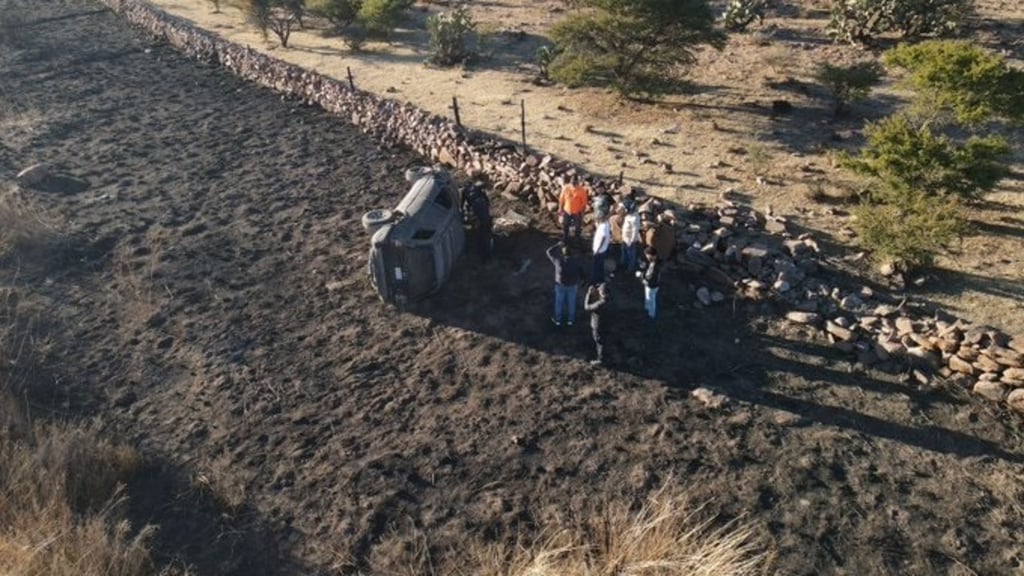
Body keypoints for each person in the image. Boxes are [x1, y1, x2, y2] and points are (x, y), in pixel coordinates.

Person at [545, 241, 583, 327]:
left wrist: (557, 245)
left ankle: (558, 320)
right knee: (572, 302)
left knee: (559, 302)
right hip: (573, 285)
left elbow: (548, 252)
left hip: (560, 285)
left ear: (563, 253)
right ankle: (571, 320)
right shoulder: (575, 261)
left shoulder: (558, 261)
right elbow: (580, 271)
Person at [462, 181, 492, 262]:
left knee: (481, 238)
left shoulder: (467, 193)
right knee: (486, 236)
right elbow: (488, 203)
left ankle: (484, 256)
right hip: (486, 219)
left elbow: (463, 205)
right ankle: (487, 254)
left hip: (481, 221)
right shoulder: (480, 195)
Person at [558, 174, 589, 242]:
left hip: (577, 212)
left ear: (577, 182)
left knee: (578, 226)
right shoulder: (566, 188)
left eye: (575, 182)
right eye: (572, 182)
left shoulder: (581, 190)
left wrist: (582, 213)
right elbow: (561, 199)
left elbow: (584, 203)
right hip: (567, 211)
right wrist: (560, 210)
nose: (573, 184)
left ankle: (577, 238)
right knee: (565, 224)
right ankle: (565, 236)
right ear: (570, 181)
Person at [584, 283, 608, 365]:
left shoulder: (600, 304)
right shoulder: (609, 299)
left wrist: (588, 294)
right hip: (606, 323)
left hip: (598, 324)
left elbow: (587, 307)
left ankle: (600, 359)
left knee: (599, 341)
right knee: (603, 339)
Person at [640, 246, 664, 319]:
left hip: (652, 285)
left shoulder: (656, 265)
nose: (647, 258)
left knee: (651, 300)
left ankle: (651, 315)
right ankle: (647, 310)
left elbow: (652, 277)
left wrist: (643, 278)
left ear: (653, 255)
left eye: (648, 256)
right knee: (648, 298)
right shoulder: (654, 262)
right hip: (651, 284)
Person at [619, 199, 641, 274]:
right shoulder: (628, 215)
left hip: (630, 240)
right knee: (624, 252)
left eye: (624, 208)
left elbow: (635, 231)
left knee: (630, 254)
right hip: (625, 238)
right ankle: (623, 264)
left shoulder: (634, 218)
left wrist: (632, 241)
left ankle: (630, 268)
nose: (623, 210)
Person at [591, 211, 611, 284]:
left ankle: (595, 280)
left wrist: (597, 249)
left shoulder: (603, 227)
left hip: (599, 250)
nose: (596, 220)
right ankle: (601, 278)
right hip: (602, 249)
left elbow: (603, 238)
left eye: (597, 219)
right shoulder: (605, 223)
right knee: (600, 265)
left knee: (596, 266)